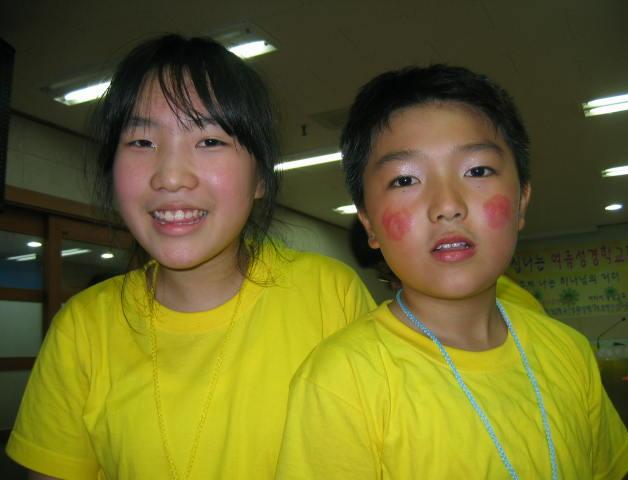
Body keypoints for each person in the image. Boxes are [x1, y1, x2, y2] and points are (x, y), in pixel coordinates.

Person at [5, 35, 376, 479]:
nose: (171, 176)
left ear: (260, 177)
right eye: (142, 142)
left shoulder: (329, 296)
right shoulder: (82, 329)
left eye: (210, 140)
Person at [276, 65, 628, 479]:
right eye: (405, 180)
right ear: (370, 225)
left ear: (521, 201)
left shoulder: (568, 351)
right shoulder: (342, 380)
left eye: (477, 171)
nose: (447, 205)